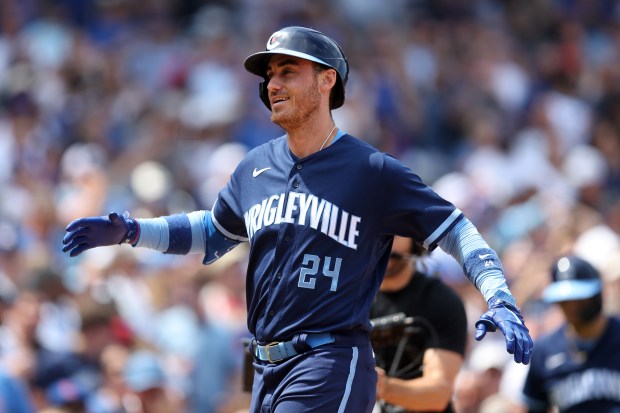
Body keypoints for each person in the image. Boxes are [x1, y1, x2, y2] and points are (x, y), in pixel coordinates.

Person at [62, 26, 533, 413]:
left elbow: (454, 229)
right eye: (269, 75)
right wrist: (134, 231)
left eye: (288, 70)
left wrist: (499, 293)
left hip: (330, 360)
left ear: (327, 80)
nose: (273, 84)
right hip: (264, 367)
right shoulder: (254, 167)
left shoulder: (371, 171)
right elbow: (213, 233)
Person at [371, 236, 467, 413]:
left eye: (396, 232)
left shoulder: (441, 300)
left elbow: (438, 393)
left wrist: (381, 387)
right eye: (380, 232)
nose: (385, 242)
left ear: (414, 240)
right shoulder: (346, 294)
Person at [522, 255, 620, 412]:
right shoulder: (544, 351)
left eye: (580, 298)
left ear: (599, 294)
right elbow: (533, 406)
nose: (572, 306)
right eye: (565, 300)